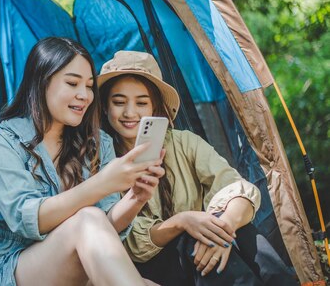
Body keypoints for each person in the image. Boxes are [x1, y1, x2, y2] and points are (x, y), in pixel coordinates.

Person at [0, 38, 165, 286]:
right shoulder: (2, 142)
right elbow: (29, 219)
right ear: (41, 83)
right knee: (88, 218)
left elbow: (104, 229)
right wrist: (103, 182)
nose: (84, 95)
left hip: (74, 271)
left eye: (90, 86)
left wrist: (136, 197)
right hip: (10, 272)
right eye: (72, 83)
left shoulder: (97, 141)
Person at [98, 50, 297, 285]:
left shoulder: (183, 142)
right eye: (119, 102)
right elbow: (132, 244)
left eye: (141, 102)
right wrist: (183, 221)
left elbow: (235, 187)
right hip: (148, 267)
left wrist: (225, 229)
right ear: (104, 107)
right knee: (192, 238)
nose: (130, 112)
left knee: (239, 230)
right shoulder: (101, 157)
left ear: (155, 107)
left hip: (201, 254)